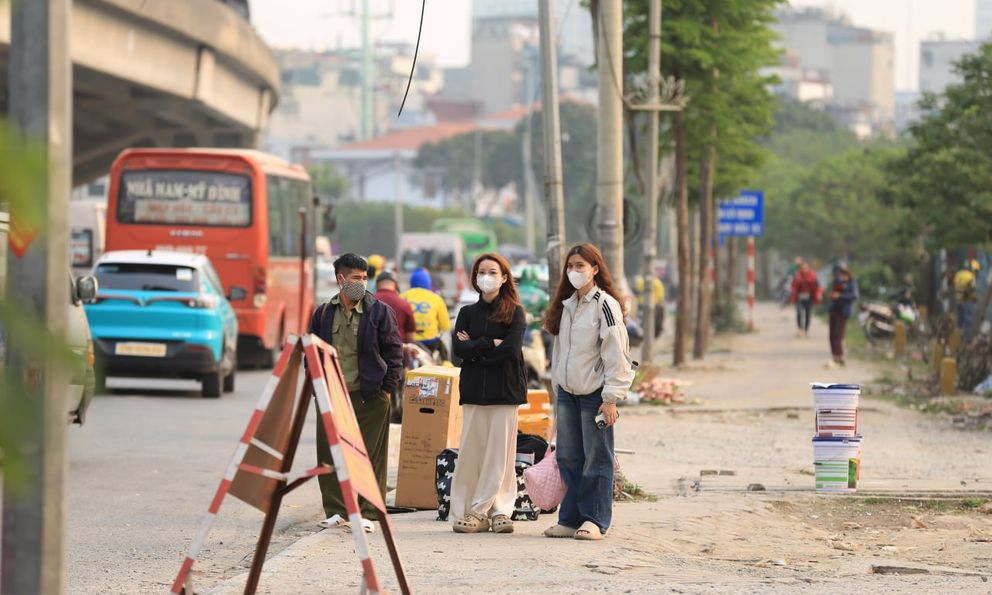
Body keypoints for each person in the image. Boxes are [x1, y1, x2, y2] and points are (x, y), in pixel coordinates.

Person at [542, 244, 635, 541]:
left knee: (597, 458)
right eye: (571, 266)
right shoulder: (567, 306)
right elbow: (560, 352)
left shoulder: (605, 304)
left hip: (596, 395)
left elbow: (616, 352)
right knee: (569, 457)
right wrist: (557, 387)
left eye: (581, 266)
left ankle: (595, 519)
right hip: (568, 394)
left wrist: (611, 398)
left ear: (595, 269)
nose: (574, 271)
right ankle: (569, 519)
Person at [307, 253, 404, 533]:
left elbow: (395, 352)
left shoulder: (379, 311)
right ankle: (336, 510)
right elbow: (310, 352)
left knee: (369, 457)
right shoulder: (324, 313)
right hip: (332, 395)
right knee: (329, 455)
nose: (361, 283)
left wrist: (386, 389)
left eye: (364, 278)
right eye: (355, 278)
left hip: (370, 396)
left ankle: (367, 511)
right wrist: (317, 388)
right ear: (340, 280)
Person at [449, 253, 527, 534]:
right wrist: (488, 343)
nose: (487, 276)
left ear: (504, 277)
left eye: (493, 272)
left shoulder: (515, 312)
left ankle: (496, 511)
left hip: (505, 391)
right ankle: (471, 509)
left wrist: (477, 351)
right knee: (471, 452)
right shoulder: (467, 313)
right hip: (473, 392)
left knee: (500, 454)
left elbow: (511, 350)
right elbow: (459, 350)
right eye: (482, 271)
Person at [401, 267, 452, 361]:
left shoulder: (402, 297)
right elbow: (445, 326)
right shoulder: (436, 298)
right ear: (428, 282)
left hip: (407, 344)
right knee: (445, 356)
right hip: (430, 343)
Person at [827, 263, 859, 368]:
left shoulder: (851, 283)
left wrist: (840, 296)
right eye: (841, 274)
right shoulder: (836, 282)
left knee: (838, 335)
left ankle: (840, 356)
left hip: (843, 311)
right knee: (832, 335)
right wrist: (832, 295)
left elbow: (854, 296)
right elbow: (832, 293)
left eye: (844, 274)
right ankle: (835, 356)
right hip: (834, 310)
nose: (842, 276)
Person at [374, 271, 416, 343]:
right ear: (396, 285)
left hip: (371, 349)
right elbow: (411, 336)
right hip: (398, 349)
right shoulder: (404, 304)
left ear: (377, 284)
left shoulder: (367, 301)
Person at [789, 260, 820, 338]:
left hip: (809, 297)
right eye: (803, 268)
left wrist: (818, 295)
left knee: (807, 313)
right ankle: (800, 329)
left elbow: (817, 286)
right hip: (799, 297)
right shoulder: (797, 275)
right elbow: (793, 285)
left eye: (806, 268)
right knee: (799, 312)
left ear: (808, 268)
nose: (804, 269)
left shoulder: (812, 275)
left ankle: (806, 330)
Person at [954, 259, 980, 340]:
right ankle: (966, 340)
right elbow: (971, 291)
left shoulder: (958, 274)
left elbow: (956, 286)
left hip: (958, 301)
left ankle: (956, 339)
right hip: (966, 301)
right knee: (968, 321)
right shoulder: (970, 277)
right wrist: (975, 298)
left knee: (959, 321)